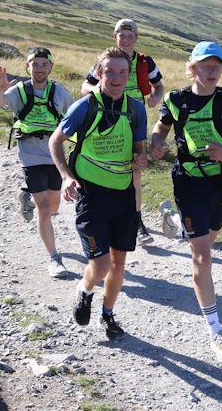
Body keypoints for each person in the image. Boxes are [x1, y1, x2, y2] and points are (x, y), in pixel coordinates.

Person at [150, 41, 222, 364]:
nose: (211, 72)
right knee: (203, 258)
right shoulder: (177, 100)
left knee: (206, 241)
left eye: (217, 67)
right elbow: (161, 128)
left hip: (220, 182)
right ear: (192, 68)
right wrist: (155, 143)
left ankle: (176, 223)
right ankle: (216, 333)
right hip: (188, 181)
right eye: (205, 66)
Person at [52, 47, 148, 340]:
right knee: (102, 264)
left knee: (119, 262)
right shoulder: (84, 106)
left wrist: (142, 158)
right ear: (99, 73)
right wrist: (66, 177)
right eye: (110, 72)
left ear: (128, 74)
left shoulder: (136, 108)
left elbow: (138, 152)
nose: (116, 78)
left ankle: (108, 315)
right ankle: (84, 289)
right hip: (91, 195)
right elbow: (56, 142)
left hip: (123, 195)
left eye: (122, 72)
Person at [0, 47, 75, 278]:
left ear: (51, 67)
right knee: (46, 209)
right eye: (34, 64)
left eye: (43, 64)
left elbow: (74, 116)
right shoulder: (19, 91)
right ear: (27, 67)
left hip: (55, 155)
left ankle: (27, 199)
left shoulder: (59, 92)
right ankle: (54, 259)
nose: (39, 68)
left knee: (55, 206)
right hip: (30, 156)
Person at [81, 19, 163, 246]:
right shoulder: (105, 61)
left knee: (135, 171)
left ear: (136, 38)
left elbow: (159, 85)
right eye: (121, 34)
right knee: (107, 166)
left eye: (130, 35)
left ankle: (137, 222)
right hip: (106, 119)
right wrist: (98, 89)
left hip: (134, 120)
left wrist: (156, 96)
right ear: (114, 36)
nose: (125, 39)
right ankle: (101, 213)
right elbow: (84, 86)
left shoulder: (145, 62)